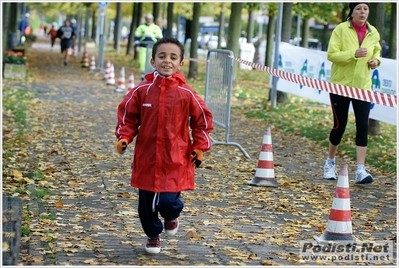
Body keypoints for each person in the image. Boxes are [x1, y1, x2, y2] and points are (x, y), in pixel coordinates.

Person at [115, 37, 214, 254]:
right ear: (153, 61)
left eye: (173, 57)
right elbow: (128, 118)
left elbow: (202, 121)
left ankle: (171, 215)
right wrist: (124, 137)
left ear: (181, 63)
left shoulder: (186, 93)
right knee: (146, 204)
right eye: (161, 56)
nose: (166, 61)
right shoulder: (142, 91)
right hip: (147, 158)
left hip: (176, 158)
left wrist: (199, 146)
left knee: (168, 201)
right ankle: (152, 235)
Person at [323, 2, 381, 184]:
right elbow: (332, 55)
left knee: (363, 126)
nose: (362, 12)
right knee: (340, 125)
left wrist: (375, 61)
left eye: (365, 8)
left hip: (362, 86)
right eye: (358, 8)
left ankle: (360, 170)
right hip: (341, 85)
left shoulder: (373, 32)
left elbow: (377, 51)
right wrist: (353, 54)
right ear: (352, 11)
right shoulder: (341, 29)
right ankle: (330, 162)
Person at [134, 13, 163, 81]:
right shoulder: (141, 27)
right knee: (142, 61)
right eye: (147, 19)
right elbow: (136, 37)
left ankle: (151, 74)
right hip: (143, 47)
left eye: (150, 19)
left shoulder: (156, 28)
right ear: (145, 19)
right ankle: (143, 74)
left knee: (152, 61)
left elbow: (160, 39)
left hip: (153, 48)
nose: (149, 20)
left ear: (152, 19)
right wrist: (137, 46)